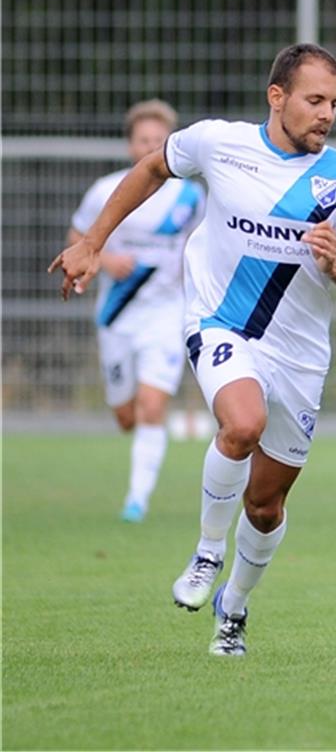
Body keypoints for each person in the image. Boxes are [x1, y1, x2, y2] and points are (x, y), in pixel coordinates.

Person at [50, 43, 336, 656]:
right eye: (314, 100)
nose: (327, 114)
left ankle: (234, 605)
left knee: (265, 505)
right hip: (220, 322)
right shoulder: (218, 143)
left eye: (335, 103)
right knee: (242, 424)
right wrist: (95, 242)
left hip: (301, 356)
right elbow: (153, 168)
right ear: (276, 97)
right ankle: (206, 550)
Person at [68, 99, 205, 523]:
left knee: (151, 406)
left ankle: (137, 500)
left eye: (158, 140)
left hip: (166, 314)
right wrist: (106, 261)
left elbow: (200, 246)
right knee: (126, 415)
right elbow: (79, 235)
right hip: (116, 314)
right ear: (130, 146)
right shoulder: (106, 191)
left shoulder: (189, 195)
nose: (150, 147)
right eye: (143, 140)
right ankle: (136, 474)